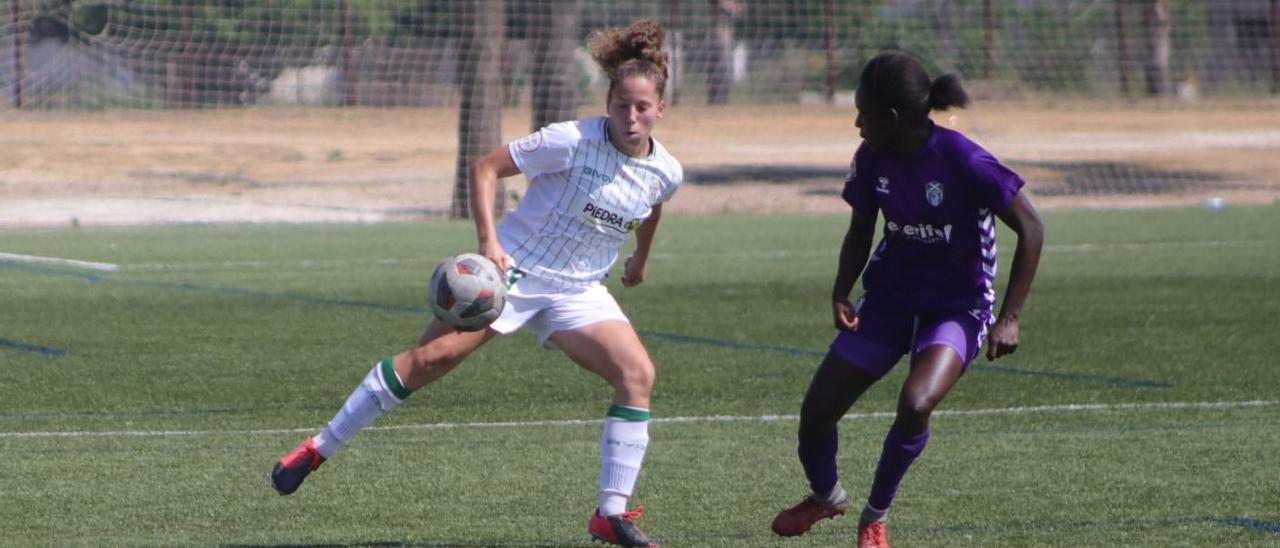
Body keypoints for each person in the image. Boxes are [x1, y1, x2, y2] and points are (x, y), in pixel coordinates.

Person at [270, 19, 680, 548]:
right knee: (428, 362)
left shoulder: (666, 169)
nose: (630, 116)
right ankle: (317, 449)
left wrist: (640, 261)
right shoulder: (571, 141)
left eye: (642, 108)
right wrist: (489, 241)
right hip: (515, 272)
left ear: (660, 110)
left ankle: (611, 514)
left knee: (637, 372)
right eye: (622, 105)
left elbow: (652, 206)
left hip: (578, 290)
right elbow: (485, 168)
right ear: (608, 101)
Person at [770, 51, 1045, 548]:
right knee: (815, 415)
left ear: (892, 120)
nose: (856, 125)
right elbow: (860, 228)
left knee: (916, 402)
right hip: (891, 301)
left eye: (863, 114)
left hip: (957, 307)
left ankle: (875, 516)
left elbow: (1031, 227)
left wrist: (1010, 317)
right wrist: (840, 290)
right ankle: (827, 496)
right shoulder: (872, 157)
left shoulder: (964, 160)